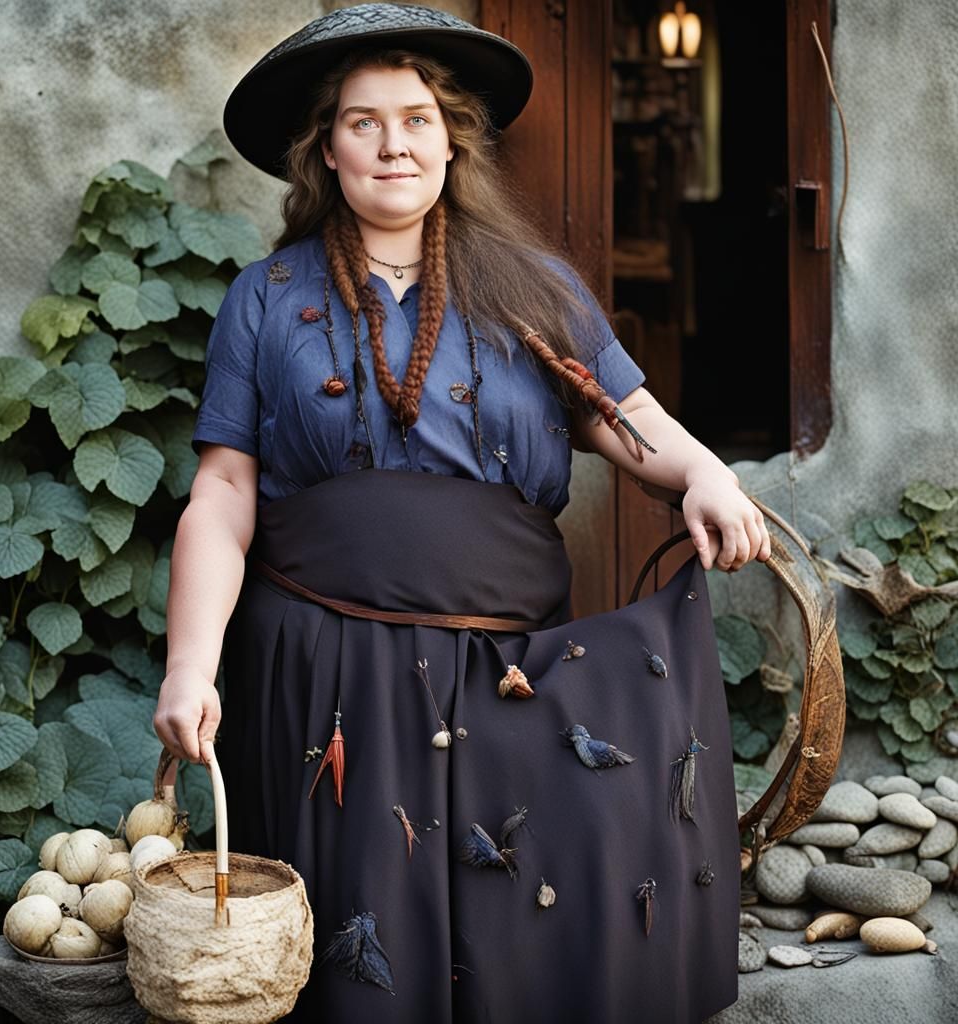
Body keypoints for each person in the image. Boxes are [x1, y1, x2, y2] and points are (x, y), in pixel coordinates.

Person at [153, 5, 769, 1022]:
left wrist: (704, 474)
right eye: (363, 122)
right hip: (323, 665)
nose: (394, 142)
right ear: (324, 149)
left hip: (508, 666)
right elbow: (223, 493)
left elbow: (626, 417)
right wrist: (189, 664)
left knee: (516, 940)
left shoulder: (532, 288)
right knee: (358, 963)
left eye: (417, 117)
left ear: (452, 139)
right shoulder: (264, 299)